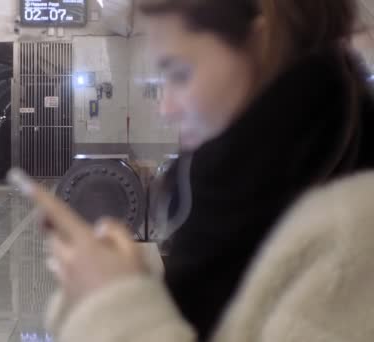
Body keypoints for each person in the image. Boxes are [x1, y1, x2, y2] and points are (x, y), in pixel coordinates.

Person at [37, 0, 374, 341]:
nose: (166, 107)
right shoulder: (242, 204)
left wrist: (115, 305)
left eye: (180, 73)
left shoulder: (350, 241)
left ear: (262, 44)